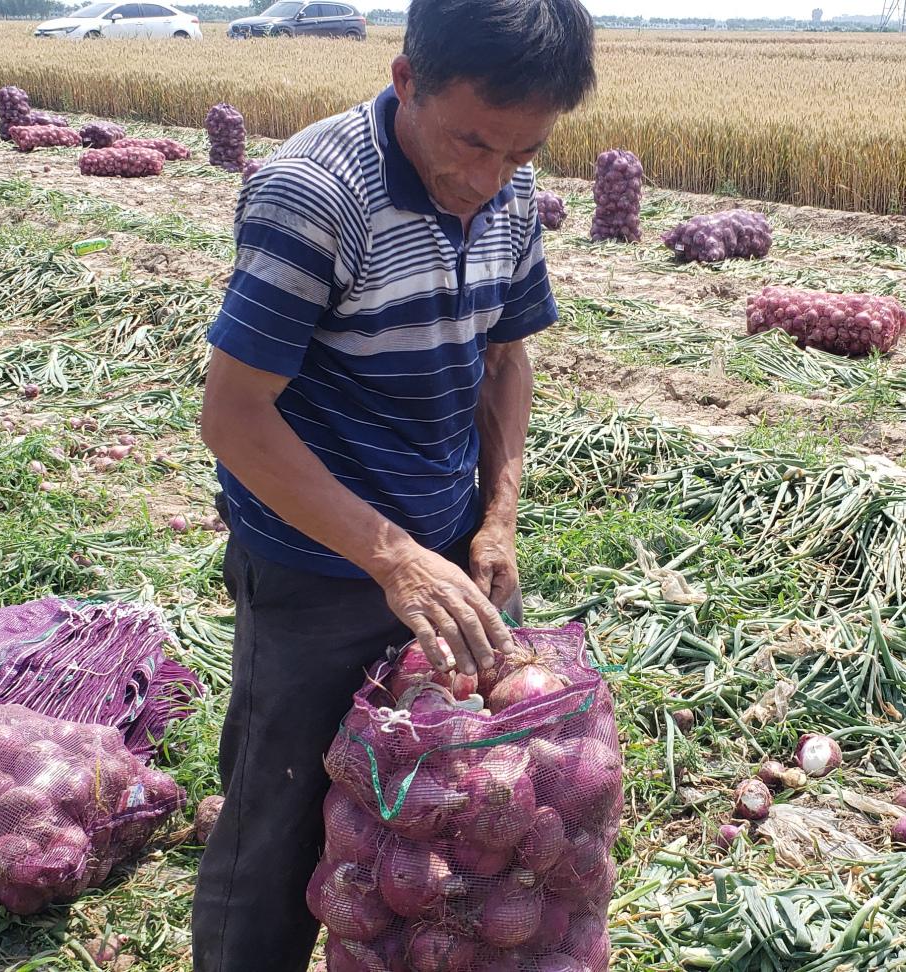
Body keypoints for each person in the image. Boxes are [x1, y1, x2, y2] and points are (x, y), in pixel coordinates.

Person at [189, 0, 596, 969]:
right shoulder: (314, 191)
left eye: (521, 152)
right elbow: (234, 415)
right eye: (469, 143)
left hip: (451, 555)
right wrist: (389, 559)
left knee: (483, 807)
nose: (486, 178)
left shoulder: (505, 192)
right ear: (405, 77)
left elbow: (505, 359)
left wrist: (492, 522)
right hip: (317, 562)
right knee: (278, 822)